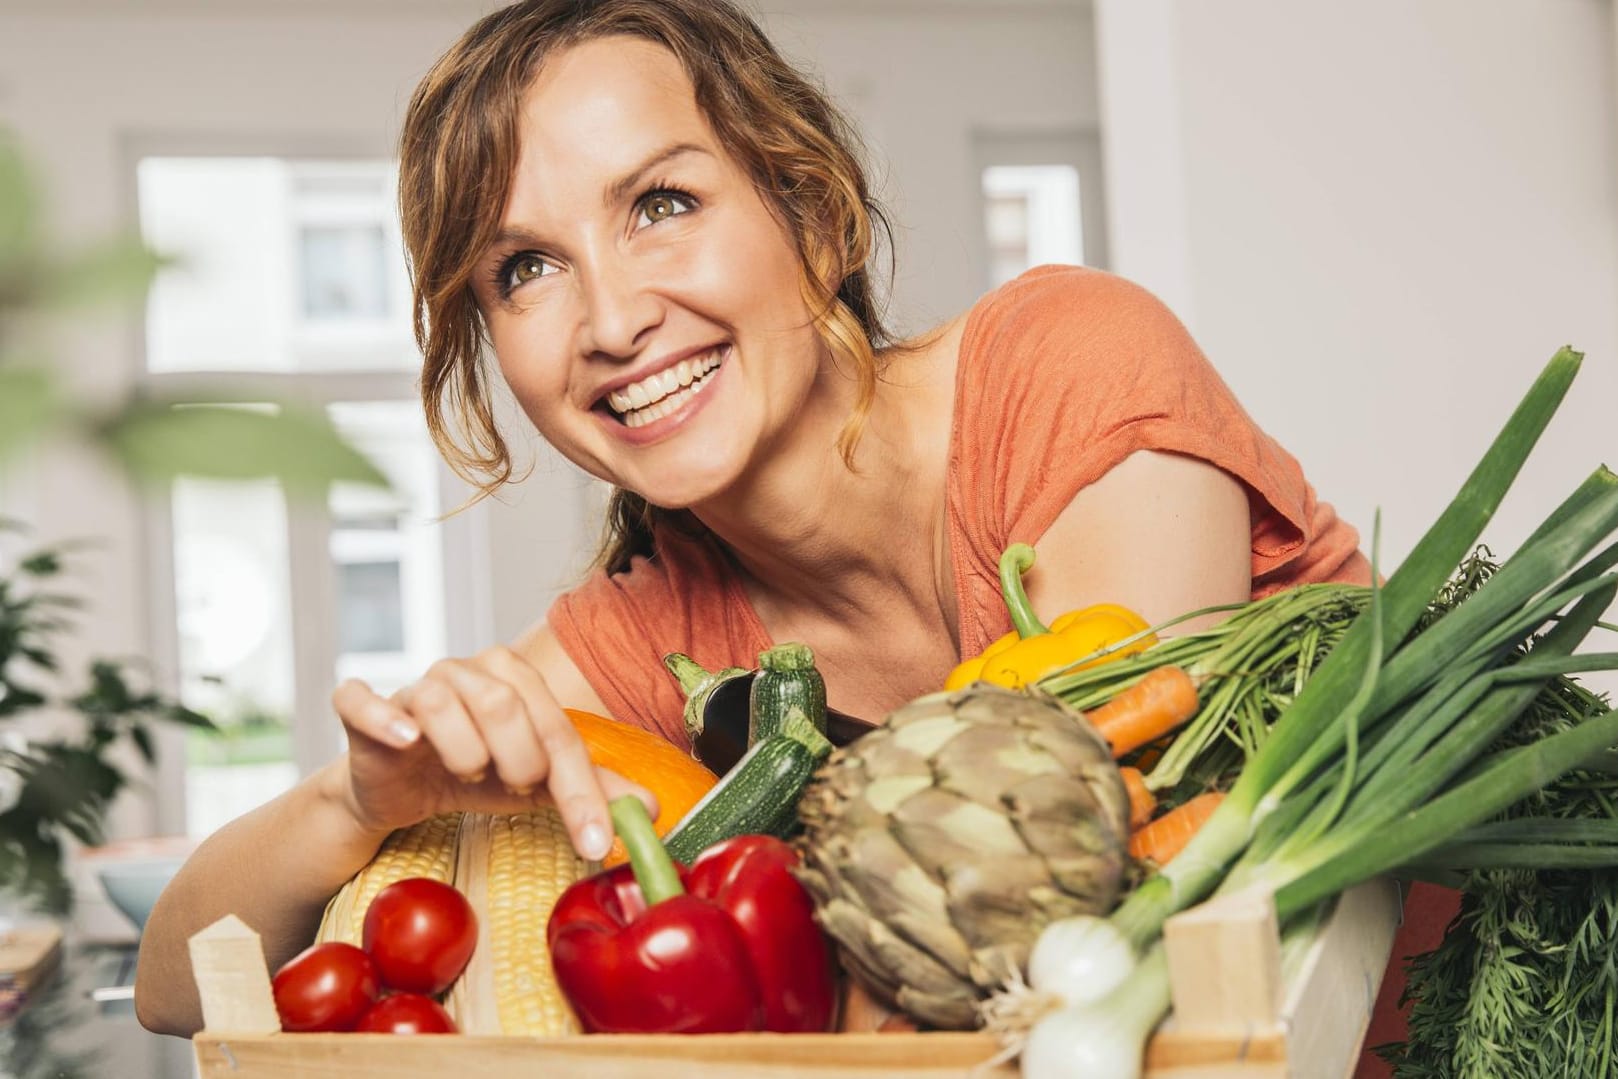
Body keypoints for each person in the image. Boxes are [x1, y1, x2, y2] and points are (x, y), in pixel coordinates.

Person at [134, 0, 1370, 1038]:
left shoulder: (1070, 370)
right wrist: (354, 799)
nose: (611, 320)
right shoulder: (648, 627)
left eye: (660, 203)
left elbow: (1078, 904)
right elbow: (172, 985)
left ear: (817, 216)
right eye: (525, 268)